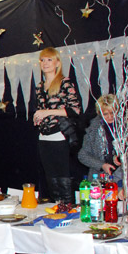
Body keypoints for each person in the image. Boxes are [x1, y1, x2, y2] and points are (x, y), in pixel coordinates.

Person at [32, 47, 80, 203]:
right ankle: (57, 207)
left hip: (60, 135)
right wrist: (38, 118)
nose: (45, 63)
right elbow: (41, 109)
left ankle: (68, 208)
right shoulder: (39, 86)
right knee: (50, 177)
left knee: (63, 177)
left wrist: (47, 112)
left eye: (49, 60)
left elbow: (75, 110)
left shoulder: (64, 82)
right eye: (42, 60)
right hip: (44, 136)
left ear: (57, 63)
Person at [78, 95, 118, 179]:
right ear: (100, 114)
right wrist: (101, 165)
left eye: (112, 112)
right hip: (99, 176)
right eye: (105, 114)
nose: (110, 117)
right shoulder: (93, 130)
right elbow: (82, 155)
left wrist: (120, 158)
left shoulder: (125, 128)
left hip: (121, 174)